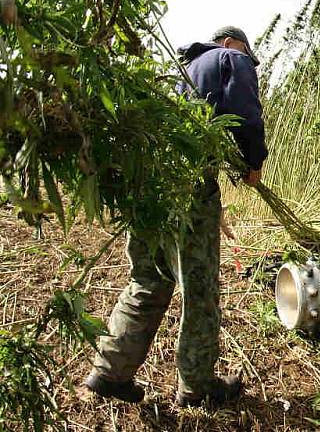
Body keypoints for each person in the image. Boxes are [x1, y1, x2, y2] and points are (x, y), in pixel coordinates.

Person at [84, 26, 267, 407]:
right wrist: (253, 161)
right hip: (187, 188)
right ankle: (198, 385)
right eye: (250, 55)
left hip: (148, 186)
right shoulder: (229, 58)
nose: (250, 63)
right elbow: (247, 115)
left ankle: (109, 372)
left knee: (148, 279)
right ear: (232, 43)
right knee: (199, 290)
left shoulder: (174, 72)